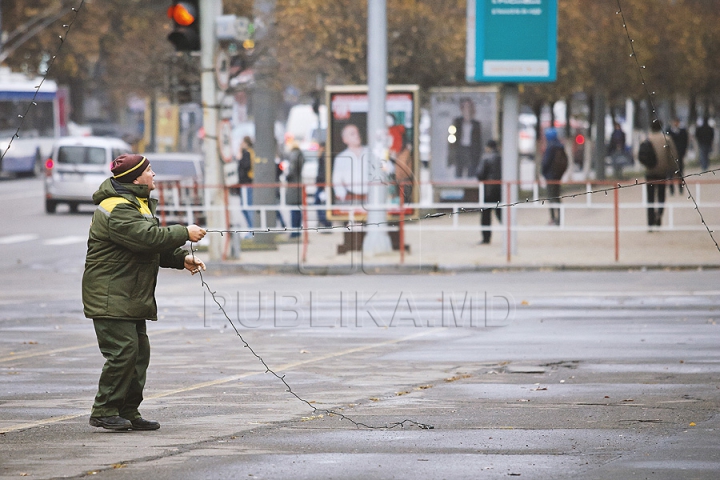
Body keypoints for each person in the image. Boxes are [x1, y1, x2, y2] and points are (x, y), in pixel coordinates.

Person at [82, 154, 207, 431]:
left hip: (128, 293)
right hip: (110, 294)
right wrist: (185, 232)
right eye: (150, 170)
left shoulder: (137, 203)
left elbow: (147, 245)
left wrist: (180, 259)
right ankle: (104, 409)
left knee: (139, 353)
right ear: (136, 178)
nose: (154, 175)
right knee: (124, 351)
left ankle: (127, 411)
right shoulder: (116, 207)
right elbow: (145, 238)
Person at [644, 120, 679, 228]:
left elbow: (639, 153)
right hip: (662, 172)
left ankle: (650, 222)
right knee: (661, 195)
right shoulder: (666, 139)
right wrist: (675, 170)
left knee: (650, 197)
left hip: (649, 171)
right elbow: (673, 156)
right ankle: (659, 214)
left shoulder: (646, 138)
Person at [332, 123, 371, 204]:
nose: (357, 135)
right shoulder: (341, 157)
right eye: (352, 134)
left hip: (372, 197)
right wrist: (343, 197)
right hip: (350, 199)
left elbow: (387, 169)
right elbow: (337, 180)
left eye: (357, 133)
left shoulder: (371, 152)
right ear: (345, 139)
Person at [447, 97, 482, 178]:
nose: (467, 110)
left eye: (469, 107)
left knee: (471, 172)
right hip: (460, 149)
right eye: (465, 107)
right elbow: (452, 139)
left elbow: (479, 142)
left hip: (471, 150)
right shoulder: (457, 122)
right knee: (458, 172)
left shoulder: (476, 124)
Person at [476, 140, 502, 244]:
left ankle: (486, 238)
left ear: (488, 147)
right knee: (501, 213)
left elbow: (480, 174)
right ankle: (509, 233)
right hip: (500, 189)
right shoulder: (501, 158)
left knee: (486, 215)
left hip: (488, 190)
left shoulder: (486, 158)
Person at [541, 128, 566, 226]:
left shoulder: (550, 147)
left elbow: (546, 162)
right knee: (557, 197)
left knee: (551, 197)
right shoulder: (561, 146)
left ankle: (553, 219)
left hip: (550, 177)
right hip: (558, 176)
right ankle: (559, 219)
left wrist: (543, 172)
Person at [285, 142, 305, 238]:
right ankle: (297, 230)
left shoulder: (293, 155)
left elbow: (291, 171)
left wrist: (287, 177)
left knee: (293, 210)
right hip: (298, 185)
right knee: (297, 210)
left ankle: (294, 232)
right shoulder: (300, 155)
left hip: (293, 186)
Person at [237, 136, 255, 229]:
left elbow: (246, 166)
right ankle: (251, 228)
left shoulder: (247, 153)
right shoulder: (249, 152)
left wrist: (240, 157)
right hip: (246, 183)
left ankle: (252, 229)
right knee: (245, 207)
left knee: (247, 207)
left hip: (247, 183)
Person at [667, 118, 688, 194]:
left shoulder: (682, 131)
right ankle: (671, 189)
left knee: (680, 172)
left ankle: (680, 188)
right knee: (670, 173)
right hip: (670, 156)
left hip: (680, 155)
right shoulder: (668, 131)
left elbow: (685, 142)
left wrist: (683, 152)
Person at [314, 142, 332, 229]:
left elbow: (324, 171)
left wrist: (324, 184)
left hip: (322, 184)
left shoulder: (324, 156)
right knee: (320, 203)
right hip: (321, 184)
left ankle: (325, 222)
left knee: (319, 203)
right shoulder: (322, 156)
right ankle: (324, 222)